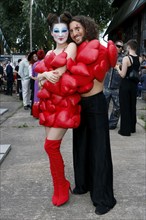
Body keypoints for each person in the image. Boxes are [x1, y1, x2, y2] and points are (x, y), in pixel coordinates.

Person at [68, 15, 117, 215]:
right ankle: (83, 184)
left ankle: (103, 198)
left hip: (96, 103)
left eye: (77, 28)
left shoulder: (102, 48)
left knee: (99, 150)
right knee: (81, 145)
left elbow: (109, 67)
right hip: (79, 104)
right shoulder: (73, 51)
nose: (74, 33)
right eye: (71, 30)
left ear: (86, 28)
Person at [34, 12, 81, 207]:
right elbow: (41, 80)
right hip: (49, 104)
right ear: (51, 33)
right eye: (57, 31)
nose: (61, 34)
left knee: (50, 146)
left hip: (64, 104)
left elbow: (60, 72)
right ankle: (60, 185)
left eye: (64, 30)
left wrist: (45, 74)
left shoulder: (71, 46)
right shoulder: (49, 54)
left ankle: (62, 187)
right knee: (52, 148)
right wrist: (44, 74)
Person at [116, 39, 142, 136]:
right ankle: (132, 128)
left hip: (125, 85)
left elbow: (122, 75)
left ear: (129, 47)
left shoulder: (126, 59)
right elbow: (136, 71)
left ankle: (125, 130)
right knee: (132, 106)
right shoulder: (139, 58)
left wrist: (117, 68)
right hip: (134, 85)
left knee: (125, 107)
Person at [104, 40, 124, 129]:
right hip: (106, 86)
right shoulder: (106, 56)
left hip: (117, 87)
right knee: (104, 106)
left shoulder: (123, 59)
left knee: (117, 107)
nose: (119, 48)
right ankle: (103, 123)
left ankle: (112, 124)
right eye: (118, 46)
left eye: (121, 47)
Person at [31, 49, 45, 118]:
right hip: (44, 81)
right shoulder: (45, 63)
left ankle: (36, 114)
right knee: (44, 97)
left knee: (36, 98)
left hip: (37, 81)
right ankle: (44, 113)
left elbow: (33, 75)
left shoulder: (34, 64)